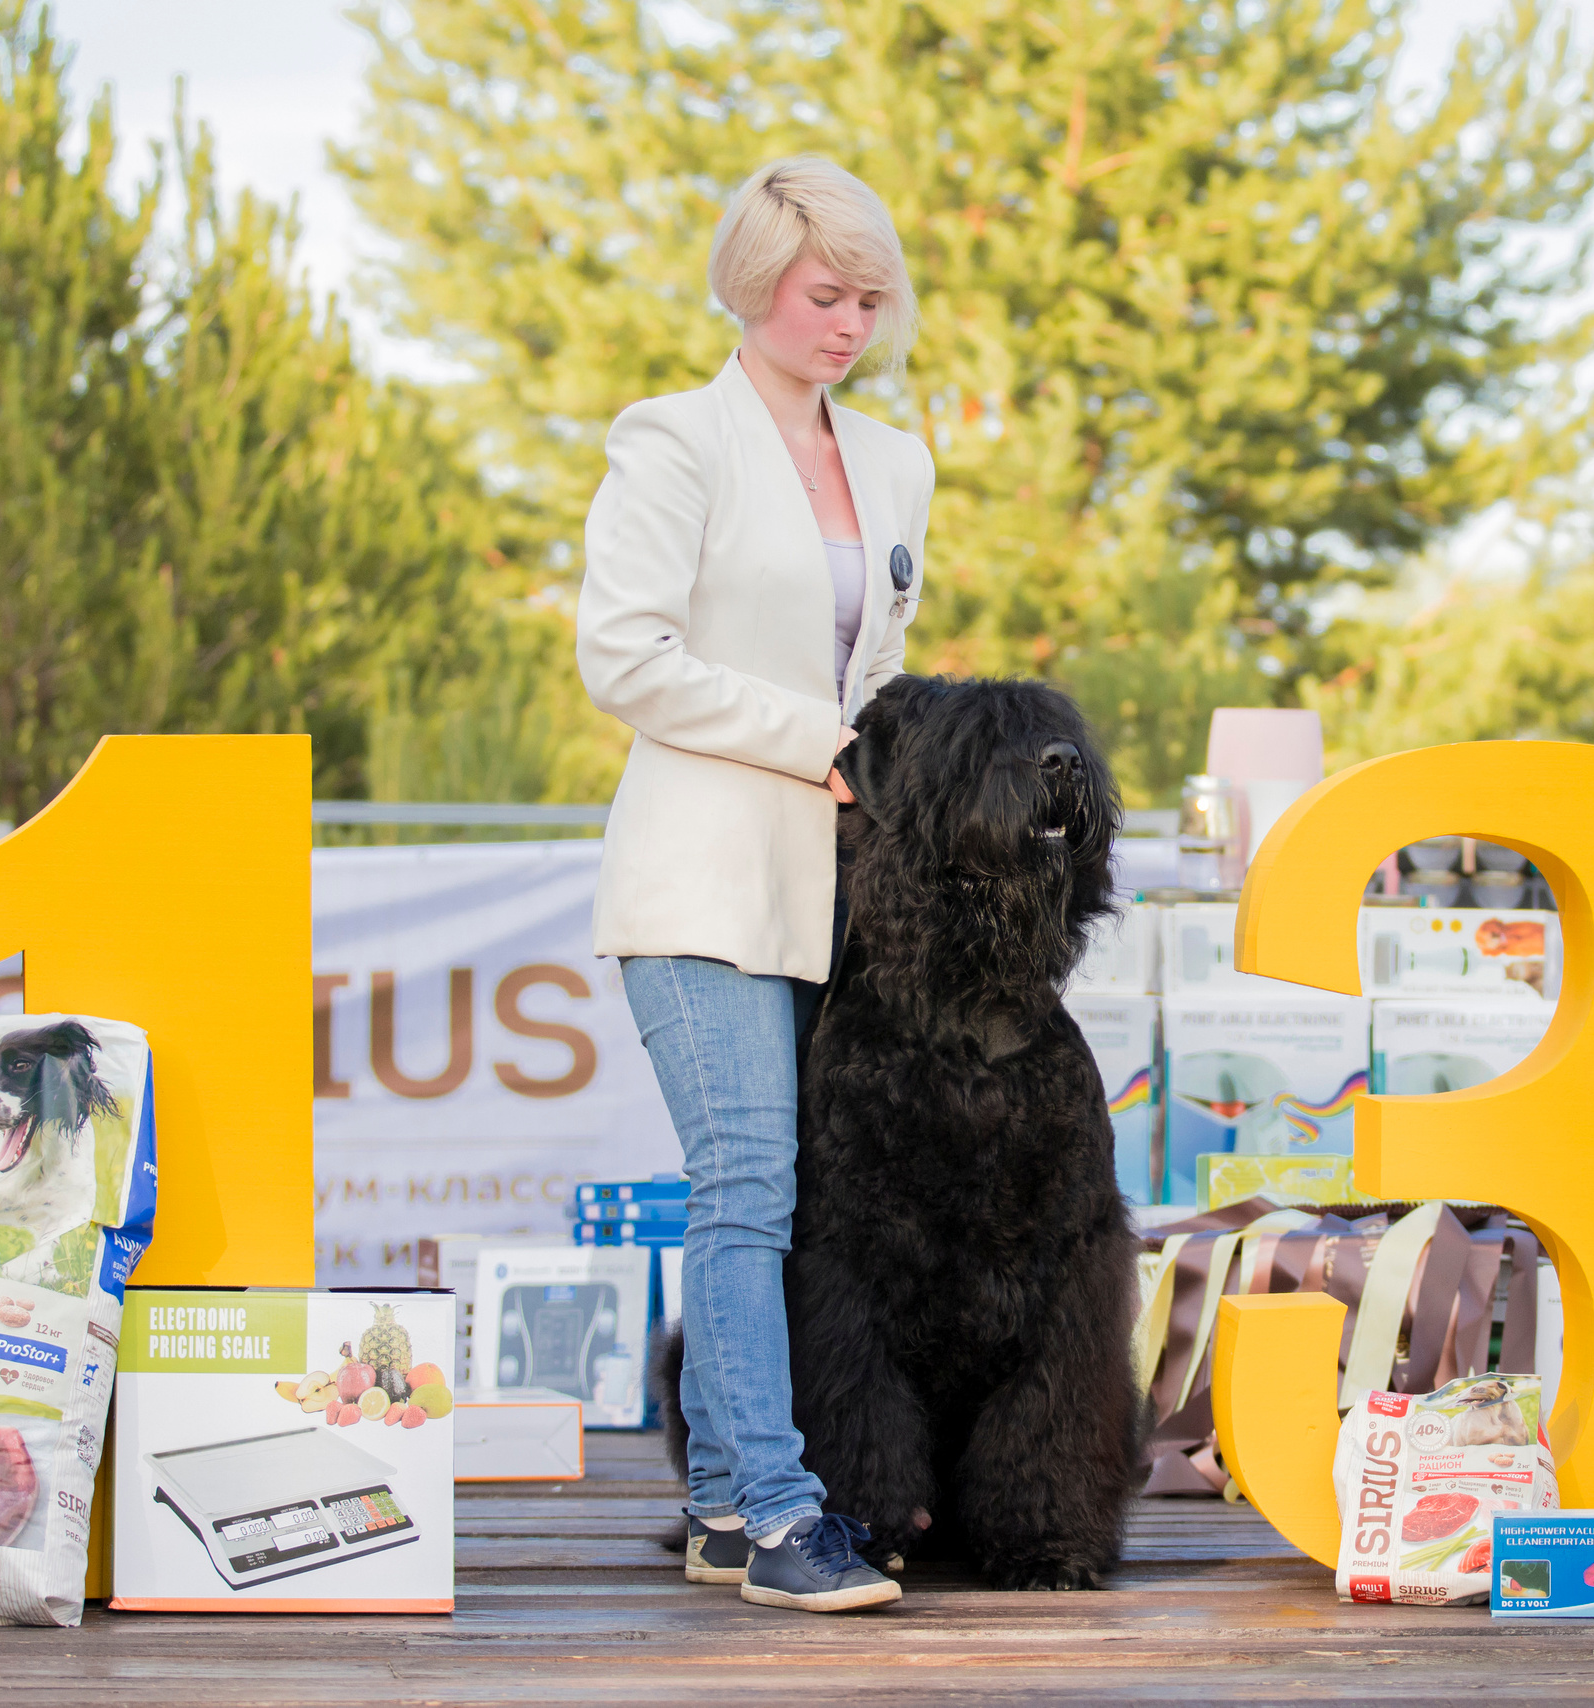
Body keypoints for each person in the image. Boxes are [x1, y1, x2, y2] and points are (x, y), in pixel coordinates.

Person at [574, 156, 930, 1614]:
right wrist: (823, 742)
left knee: (783, 1200)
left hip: (835, 890)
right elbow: (628, 659)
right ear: (753, 285)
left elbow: (885, 674)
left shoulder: (899, 459)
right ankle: (783, 1520)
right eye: (822, 294)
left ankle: (724, 1503)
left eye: (868, 297)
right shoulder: (672, 441)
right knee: (747, 1194)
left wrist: (884, 768)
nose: (848, 322)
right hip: (701, 873)